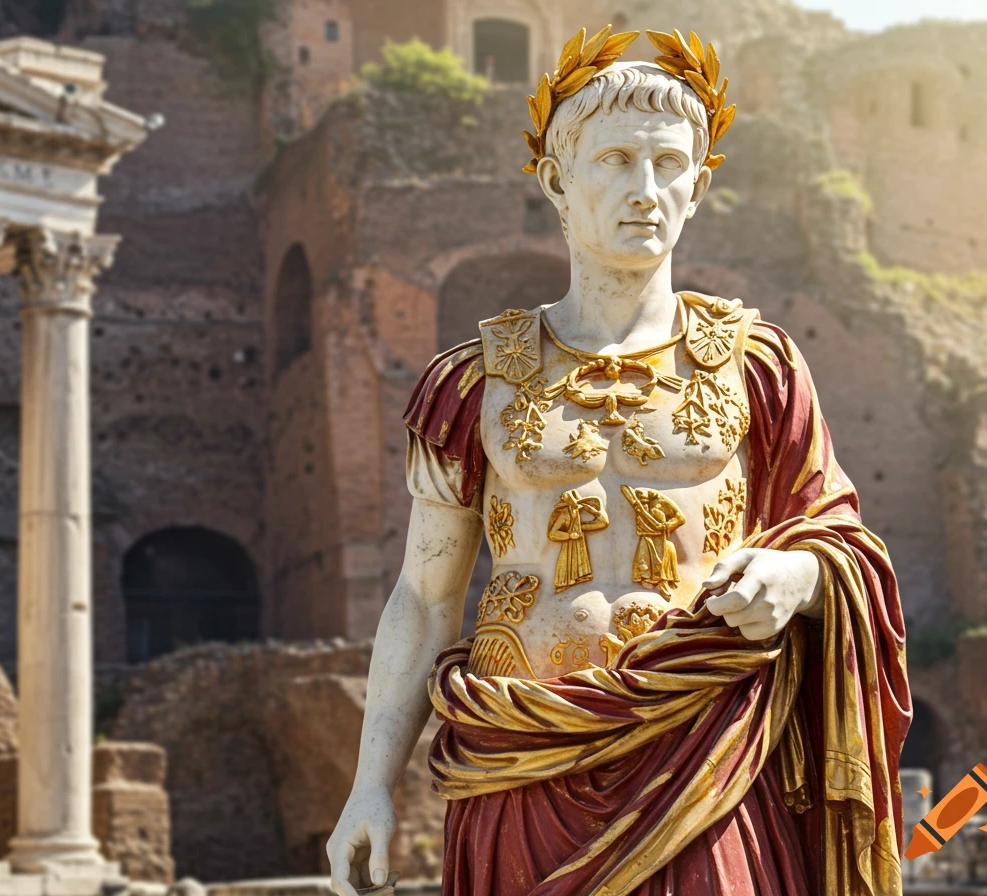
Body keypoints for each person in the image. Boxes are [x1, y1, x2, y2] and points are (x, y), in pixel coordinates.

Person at [327, 25, 910, 896]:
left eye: (669, 164)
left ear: (699, 187)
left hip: (706, 751)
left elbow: (840, 541)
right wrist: (371, 783)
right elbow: (423, 595)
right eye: (614, 160)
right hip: (522, 758)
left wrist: (798, 577)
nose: (645, 190)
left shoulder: (758, 364)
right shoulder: (472, 381)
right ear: (556, 182)